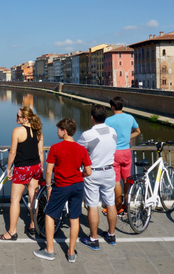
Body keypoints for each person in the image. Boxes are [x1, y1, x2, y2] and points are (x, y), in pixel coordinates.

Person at [33, 118, 92, 262]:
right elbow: (89, 172)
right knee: (74, 217)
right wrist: (79, 175)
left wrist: (48, 187)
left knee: (49, 214)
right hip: (77, 186)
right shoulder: (81, 149)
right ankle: (71, 253)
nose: (57, 132)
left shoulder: (55, 148)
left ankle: (50, 250)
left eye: (58, 129)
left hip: (62, 186)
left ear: (64, 131)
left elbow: (48, 172)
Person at [0, 106, 43, 240]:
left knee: (15, 200)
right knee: (34, 198)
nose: (16, 118)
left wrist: (8, 168)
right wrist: (40, 168)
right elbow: (40, 152)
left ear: (25, 118)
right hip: (35, 167)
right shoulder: (38, 131)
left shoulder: (17, 131)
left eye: (18, 116)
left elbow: (12, 152)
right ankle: (33, 225)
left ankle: (12, 231)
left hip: (22, 168)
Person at [77, 104, 118, 250]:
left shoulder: (88, 135)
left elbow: (78, 150)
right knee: (110, 203)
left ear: (92, 118)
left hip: (93, 172)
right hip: (109, 171)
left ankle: (93, 239)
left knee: (93, 205)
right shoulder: (113, 131)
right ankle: (111, 235)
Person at [105, 96, 141, 215]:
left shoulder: (109, 121)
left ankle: (118, 206)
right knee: (126, 179)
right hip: (126, 151)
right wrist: (127, 138)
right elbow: (138, 131)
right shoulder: (130, 118)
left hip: (114, 152)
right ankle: (127, 203)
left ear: (113, 107)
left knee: (116, 180)